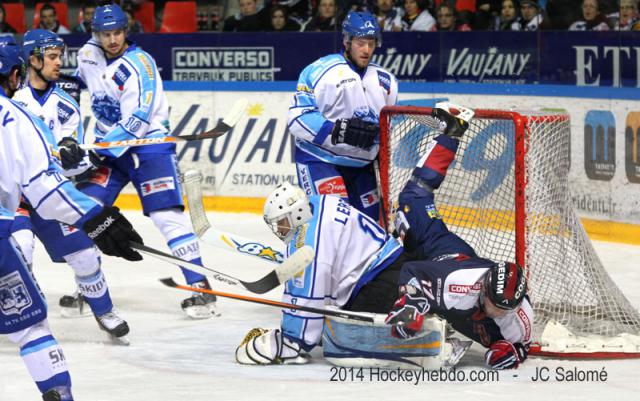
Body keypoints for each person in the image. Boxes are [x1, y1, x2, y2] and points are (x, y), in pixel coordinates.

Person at [237, 107, 534, 370]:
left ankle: (433, 332)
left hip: (438, 264)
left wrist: (508, 351)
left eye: (501, 308)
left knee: (355, 317)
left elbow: (517, 346)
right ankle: (451, 132)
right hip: (437, 260)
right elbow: (415, 273)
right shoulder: (457, 286)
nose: (494, 310)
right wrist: (411, 302)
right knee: (412, 199)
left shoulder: (513, 319)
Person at [0, 38, 142, 401]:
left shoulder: (65, 104)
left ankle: (104, 312)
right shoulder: (16, 115)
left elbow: (73, 162)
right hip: (27, 200)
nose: (57, 63)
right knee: (30, 316)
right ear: (20, 69)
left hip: (36, 197)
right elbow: (43, 183)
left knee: (84, 255)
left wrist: (76, 156)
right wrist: (97, 217)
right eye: (49, 57)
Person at [74, 3, 218, 319]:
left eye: (117, 33)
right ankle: (88, 288)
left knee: (167, 216)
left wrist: (100, 150)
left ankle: (201, 290)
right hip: (109, 152)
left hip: (146, 148)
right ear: (96, 34)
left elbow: (138, 119)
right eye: (105, 34)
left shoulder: (141, 65)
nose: (112, 40)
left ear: (126, 31)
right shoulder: (88, 53)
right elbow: (79, 81)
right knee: (83, 211)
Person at [287, 11, 398, 221]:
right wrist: (338, 130)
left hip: (362, 167)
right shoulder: (320, 72)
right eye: (360, 42)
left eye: (372, 43)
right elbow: (297, 118)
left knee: (369, 229)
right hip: (319, 159)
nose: (367, 50)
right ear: (347, 40)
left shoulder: (387, 81)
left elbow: (390, 128)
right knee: (333, 224)